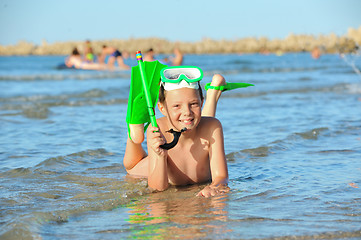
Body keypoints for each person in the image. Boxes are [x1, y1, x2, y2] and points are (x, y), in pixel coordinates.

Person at [123, 66, 229, 198]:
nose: (186, 111)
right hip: (142, 167)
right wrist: (161, 156)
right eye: (176, 106)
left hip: (201, 126)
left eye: (194, 104)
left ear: (202, 102)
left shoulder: (213, 126)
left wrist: (214, 187)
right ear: (162, 108)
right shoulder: (158, 130)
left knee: (197, 121)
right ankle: (134, 127)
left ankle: (212, 93)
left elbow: (221, 177)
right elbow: (157, 188)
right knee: (131, 165)